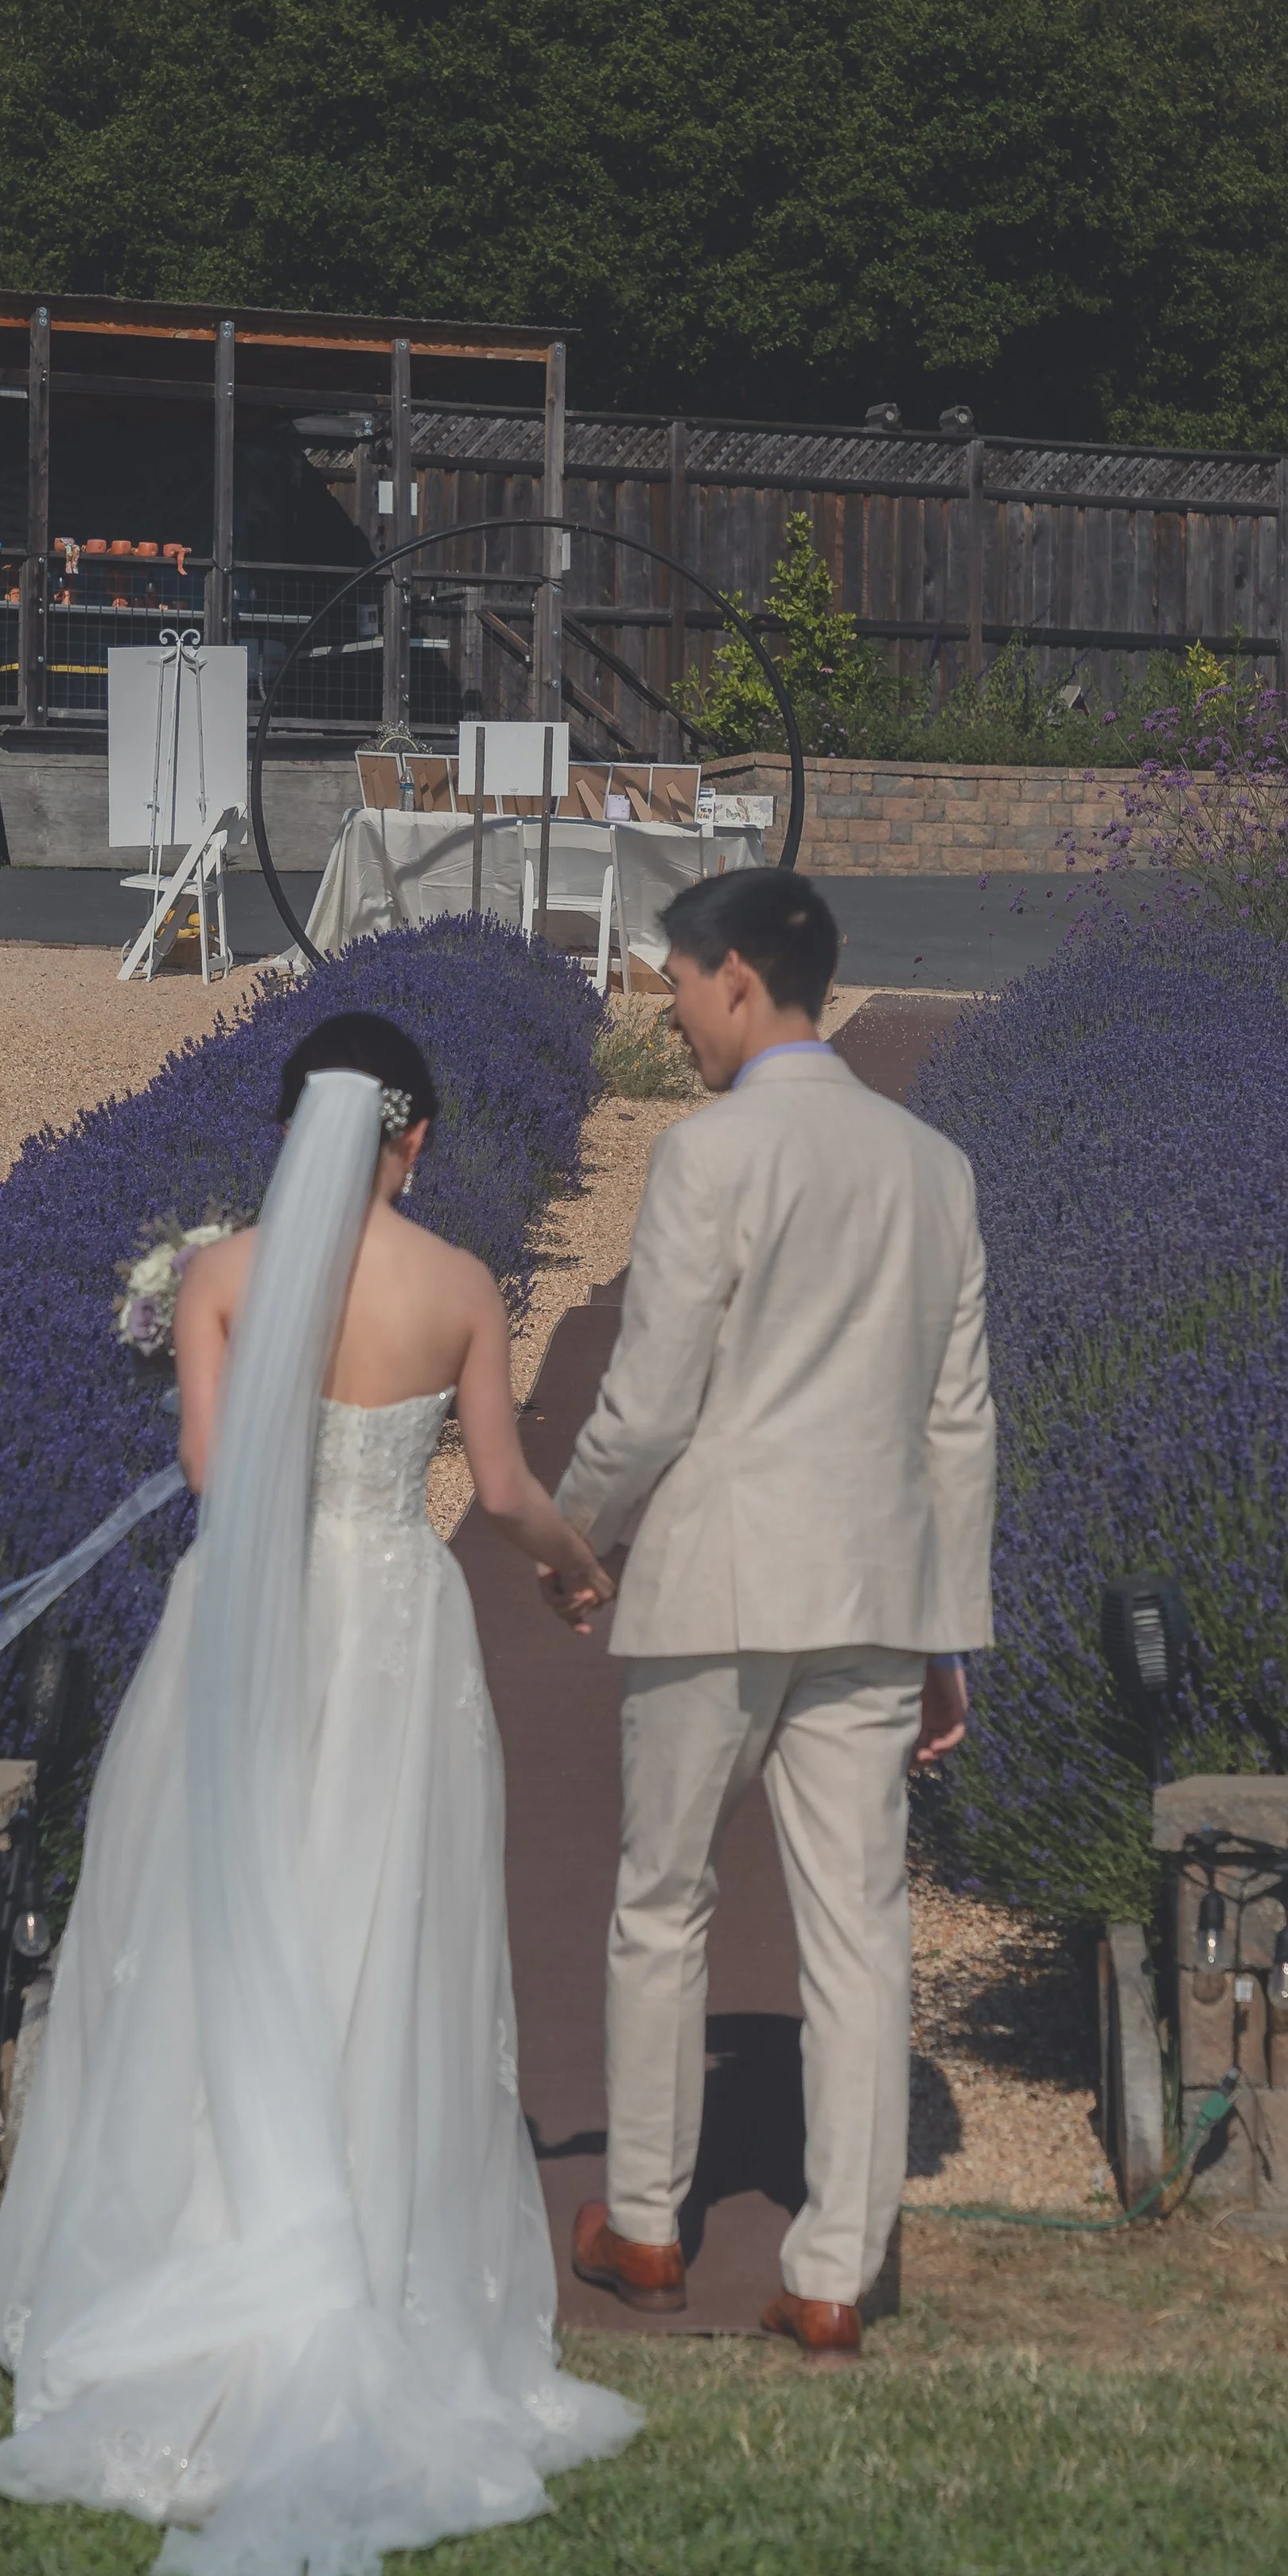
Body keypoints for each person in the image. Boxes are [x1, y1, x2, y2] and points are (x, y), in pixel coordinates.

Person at [0, 1011, 638, 2576]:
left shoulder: (220, 1280)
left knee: (216, 1918)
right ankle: (372, 2238)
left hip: (248, 1627)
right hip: (396, 1632)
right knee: (376, 1916)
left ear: (293, 1127)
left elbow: (212, 1473)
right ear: (409, 1138)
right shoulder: (461, 1288)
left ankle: (194, 2238)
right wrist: (571, 1567)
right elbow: (495, 1493)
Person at [550, 869, 994, 2360]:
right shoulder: (935, 1165)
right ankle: (832, 2272)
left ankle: (652, 2224)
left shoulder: (706, 1154)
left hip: (716, 1578)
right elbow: (960, 1426)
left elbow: (652, 1391)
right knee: (860, 1931)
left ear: (739, 976)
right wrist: (950, 1633)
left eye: (675, 982)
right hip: (873, 1589)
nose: (668, 1012)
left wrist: (572, 1527)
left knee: (662, 1902)